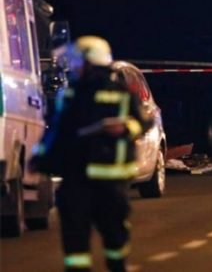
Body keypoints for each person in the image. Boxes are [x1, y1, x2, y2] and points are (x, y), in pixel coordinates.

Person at [32, 37, 152, 272]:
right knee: (75, 239)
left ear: (90, 61)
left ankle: (117, 266)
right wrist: (41, 158)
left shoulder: (123, 93)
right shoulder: (71, 94)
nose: (74, 66)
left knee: (114, 234)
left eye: (78, 61)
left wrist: (125, 128)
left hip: (111, 180)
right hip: (78, 178)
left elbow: (144, 121)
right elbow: (58, 131)